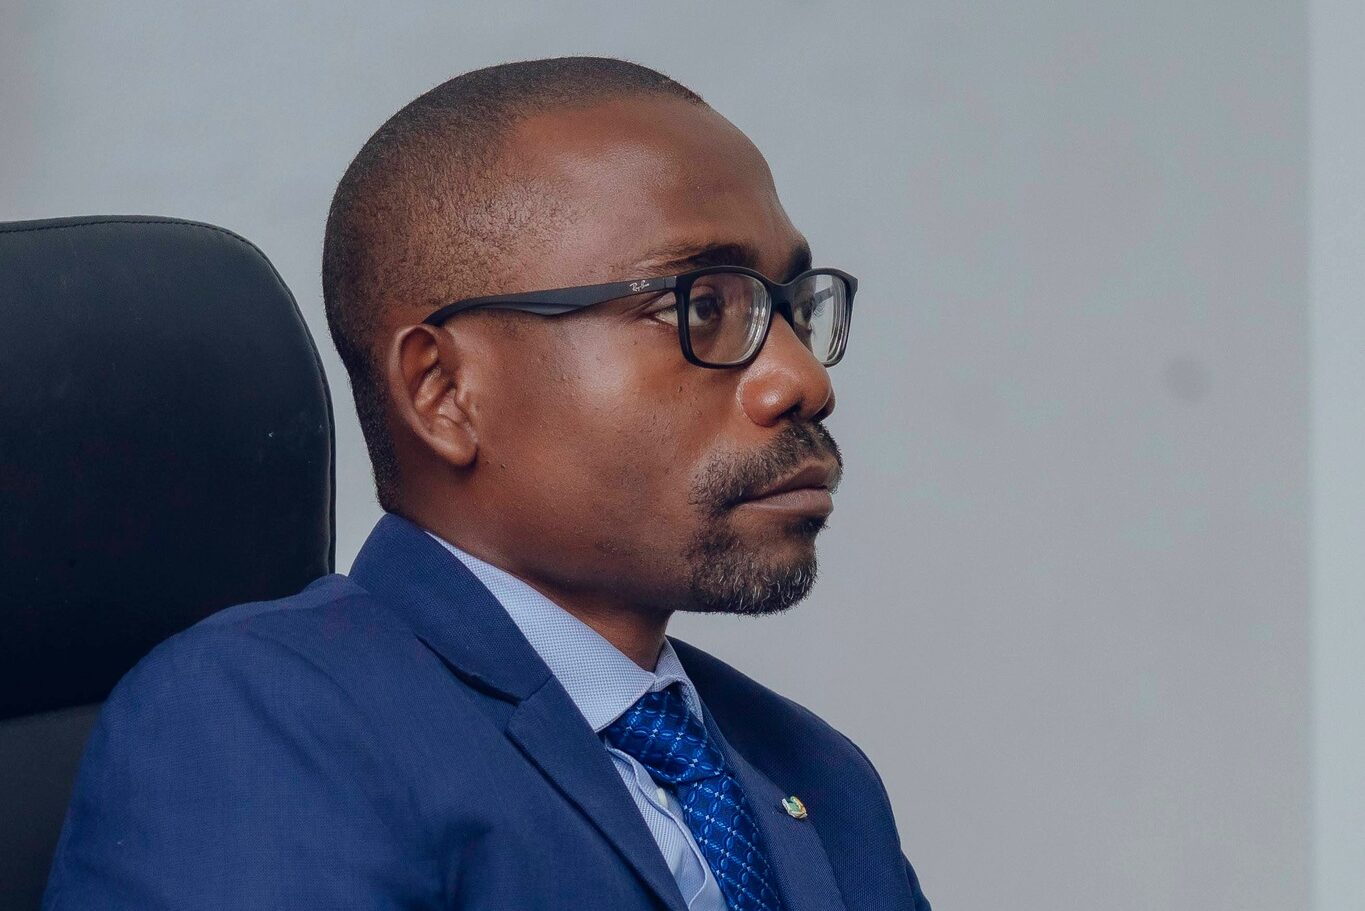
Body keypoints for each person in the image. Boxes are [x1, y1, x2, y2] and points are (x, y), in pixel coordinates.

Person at [43, 57, 931, 911]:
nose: (801, 379)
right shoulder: (263, 718)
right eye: (700, 306)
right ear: (444, 392)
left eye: (793, 309)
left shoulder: (815, 773)